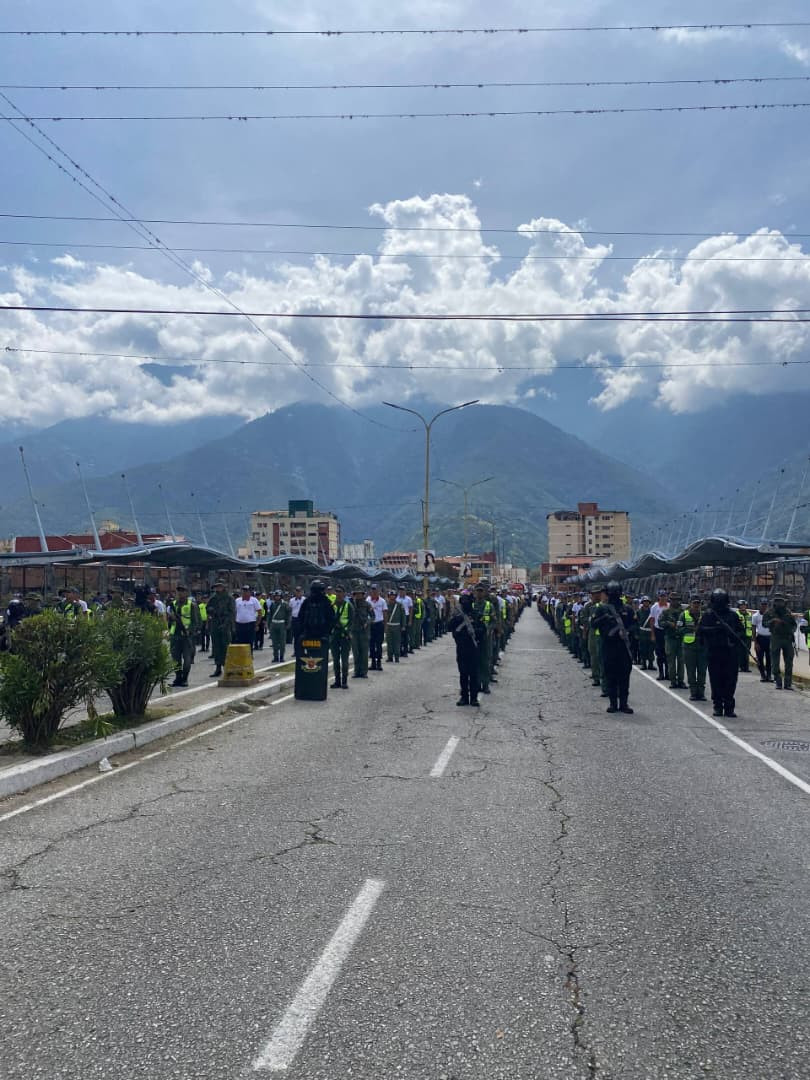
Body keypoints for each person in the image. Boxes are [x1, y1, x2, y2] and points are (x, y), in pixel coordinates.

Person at [591, 581, 636, 714]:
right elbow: (593, 624)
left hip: (623, 648)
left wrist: (627, 632)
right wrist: (604, 618)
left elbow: (634, 625)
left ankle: (623, 704)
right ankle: (613, 704)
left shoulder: (628, 609)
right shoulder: (602, 609)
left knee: (624, 676)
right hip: (608, 646)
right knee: (610, 675)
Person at [698, 589, 743, 717]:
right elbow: (701, 631)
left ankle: (729, 707)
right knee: (716, 680)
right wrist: (717, 629)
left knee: (730, 681)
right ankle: (718, 706)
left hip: (730, 653)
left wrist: (733, 636)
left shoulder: (733, 616)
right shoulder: (708, 615)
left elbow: (741, 631)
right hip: (714, 652)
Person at [449, 592, 480, 707]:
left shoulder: (476, 614)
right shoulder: (458, 616)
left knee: (474, 674)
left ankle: (474, 698)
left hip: (473, 648)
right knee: (463, 674)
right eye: (464, 602)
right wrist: (457, 620)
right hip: (461, 648)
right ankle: (464, 697)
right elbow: (449, 627)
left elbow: (483, 629)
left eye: (467, 602)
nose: (465, 604)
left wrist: (476, 632)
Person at [167, 584, 201, 687]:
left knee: (187, 660)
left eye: (182, 591)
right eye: (178, 591)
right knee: (175, 659)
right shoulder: (173, 604)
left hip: (187, 636)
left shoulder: (192, 605)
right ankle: (178, 678)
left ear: (186, 593)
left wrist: (190, 631)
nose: (180, 593)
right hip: (175, 635)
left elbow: (196, 621)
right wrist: (171, 619)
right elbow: (169, 620)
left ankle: (185, 678)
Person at [764, 595, 797, 691]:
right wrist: (772, 621)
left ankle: (788, 684)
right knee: (775, 662)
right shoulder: (769, 612)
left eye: (781, 601)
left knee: (789, 662)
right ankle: (778, 682)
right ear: (774, 602)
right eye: (777, 601)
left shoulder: (788, 612)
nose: (779, 603)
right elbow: (764, 624)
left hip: (787, 639)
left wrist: (792, 631)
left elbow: (794, 625)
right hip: (776, 638)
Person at [678, 597, 708, 701]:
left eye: (698, 603)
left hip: (702, 647)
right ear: (690, 604)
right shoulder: (684, 615)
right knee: (691, 671)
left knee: (702, 671)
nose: (696, 605)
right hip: (689, 647)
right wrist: (690, 629)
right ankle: (693, 692)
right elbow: (679, 629)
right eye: (694, 603)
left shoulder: (705, 616)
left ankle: (701, 693)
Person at [206, 580, 235, 678]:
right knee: (216, 646)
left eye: (220, 586)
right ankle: (218, 667)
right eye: (217, 587)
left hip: (225, 624)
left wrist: (226, 623)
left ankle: (228, 667)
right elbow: (207, 608)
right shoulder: (213, 598)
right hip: (215, 623)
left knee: (226, 646)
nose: (218, 588)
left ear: (223, 587)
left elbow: (232, 612)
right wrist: (210, 610)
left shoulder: (229, 598)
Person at [659, 593, 687, 690]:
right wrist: (668, 623)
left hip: (681, 638)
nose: (675, 601)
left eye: (677, 599)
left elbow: (688, 623)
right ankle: (673, 681)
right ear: (670, 600)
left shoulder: (683, 612)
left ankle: (681, 680)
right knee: (671, 661)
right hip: (670, 638)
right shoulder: (666, 612)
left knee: (681, 661)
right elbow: (660, 623)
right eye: (673, 599)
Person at [330, 585, 354, 689]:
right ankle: (337, 681)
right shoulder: (332, 605)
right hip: (335, 634)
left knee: (344, 660)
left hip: (345, 635)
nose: (338, 594)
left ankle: (344, 681)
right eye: (337, 592)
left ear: (344, 593)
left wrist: (348, 631)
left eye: (340, 592)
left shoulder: (348, 605)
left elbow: (352, 621)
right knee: (335, 659)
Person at [349, 587, 371, 678]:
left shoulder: (367, 604)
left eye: (360, 594)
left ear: (363, 595)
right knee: (356, 652)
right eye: (356, 594)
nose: (358, 595)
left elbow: (373, 616)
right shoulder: (351, 604)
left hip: (364, 631)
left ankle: (364, 671)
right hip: (354, 631)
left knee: (364, 652)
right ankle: (356, 671)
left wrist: (367, 623)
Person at [649, 590, 669, 681]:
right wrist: (652, 634)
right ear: (659, 597)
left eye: (664, 596)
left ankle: (668, 673)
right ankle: (661, 673)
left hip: (667, 631)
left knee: (667, 653)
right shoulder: (654, 607)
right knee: (659, 653)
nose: (663, 598)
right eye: (661, 596)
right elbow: (652, 620)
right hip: (658, 631)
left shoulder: (669, 606)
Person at [234, 585, 261, 650]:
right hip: (239, 624)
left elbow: (260, 613)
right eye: (243, 591)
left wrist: (257, 624)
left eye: (246, 591)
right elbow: (234, 612)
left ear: (250, 592)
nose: (245, 592)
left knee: (249, 641)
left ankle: (249, 654)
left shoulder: (254, 600)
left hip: (250, 624)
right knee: (240, 641)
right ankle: (241, 654)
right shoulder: (237, 600)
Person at [268, 589, 291, 662]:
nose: (277, 597)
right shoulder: (272, 604)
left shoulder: (285, 604)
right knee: (274, 642)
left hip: (282, 624)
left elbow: (288, 615)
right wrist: (269, 625)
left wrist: (288, 624)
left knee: (282, 642)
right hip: (274, 624)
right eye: (276, 596)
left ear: (281, 596)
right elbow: (270, 615)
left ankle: (281, 657)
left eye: (278, 596)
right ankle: (275, 657)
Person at [367, 585, 387, 671]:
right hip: (371, 625)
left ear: (378, 591)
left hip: (379, 624)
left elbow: (385, 613)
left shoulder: (382, 601)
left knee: (379, 644)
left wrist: (385, 626)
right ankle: (373, 663)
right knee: (371, 644)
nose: (374, 592)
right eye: (372, 591)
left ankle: (379, 662)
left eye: (375, 591)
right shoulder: (367, 600)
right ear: (370, 592)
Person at [752, 601, 772, 682]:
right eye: (763, 605)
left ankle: (769, 675)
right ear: (760, 606)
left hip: (769, 638)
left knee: (769, 659)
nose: (764, 607)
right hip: (760, 638)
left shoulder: (770, 615)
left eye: (765, 605)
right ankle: (763, 675)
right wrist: (755, 642)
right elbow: (753, 629)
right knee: (760, 658)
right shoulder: (755, 616)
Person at [385, 589, 407, 662]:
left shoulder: (399, 605)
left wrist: (403, 625)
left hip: (397, 626)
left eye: (393, 595)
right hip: (389, 626)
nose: (392, 597)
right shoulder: (386, 605)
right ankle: (390, 657)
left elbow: (403, 616)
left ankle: (397, 657)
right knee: (389, 642)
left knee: (397, 642)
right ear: (389, 596)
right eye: (391, 595)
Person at [636, 597, 655, 670]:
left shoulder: (652, 611)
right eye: (644, 601)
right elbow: (636, 623)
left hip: (651, 632)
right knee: (642, 649)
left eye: (647, 601)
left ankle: (651, 664)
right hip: (642, 633)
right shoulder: (638, 612)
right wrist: (636, 633)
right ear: (642, 602)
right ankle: (643, 664)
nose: (646, 603)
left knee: (651, 649)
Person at [735, 600, 753, 672]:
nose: (743, 607)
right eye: (741, 605)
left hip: (748, 635)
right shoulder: (736, 614)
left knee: (747, 652)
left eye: (744, 605)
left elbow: (751, 625)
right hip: (739, 635)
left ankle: (746, 667)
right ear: (738, 606)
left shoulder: (749, 614)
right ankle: (740, 666)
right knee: (739, 652)